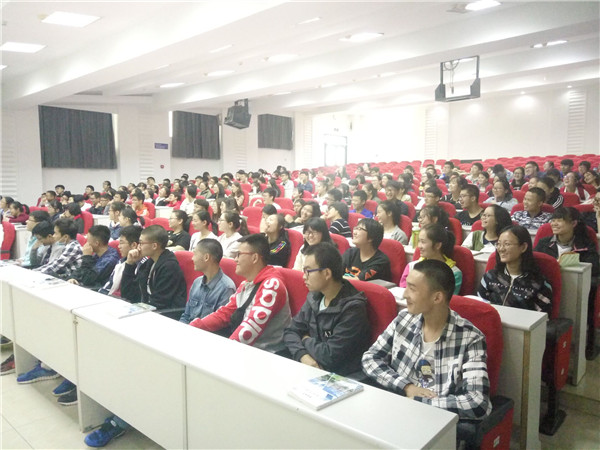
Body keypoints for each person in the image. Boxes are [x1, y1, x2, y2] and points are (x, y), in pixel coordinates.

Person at [362, 259, 491, 424]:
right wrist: (407, 387)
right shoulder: (404, 319)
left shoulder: (470, 338)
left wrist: (420, 401)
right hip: (394, 409)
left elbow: (478, 401)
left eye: (412, 289)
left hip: (435, 421)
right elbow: (370, 358)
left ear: (437, 297)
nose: (405, 294)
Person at [190, 234, 291, 354]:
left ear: (254, 258)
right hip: (246, 350)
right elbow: (225, 313)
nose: (235, 259)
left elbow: (250, 329)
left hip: (267, 354)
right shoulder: (246, 284)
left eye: (239, 254)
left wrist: (224, 352)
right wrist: (194, 326)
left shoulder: (272, 285)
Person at [284, 242, 371, 375]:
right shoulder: (314, 298)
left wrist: (305, 339)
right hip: (310, 367)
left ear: (326, 273)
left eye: (308, 271)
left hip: (341, 376)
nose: (303, 276)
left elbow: (329, 356)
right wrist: (303, 356)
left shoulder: (353, 309)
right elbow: (290, 331)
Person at [478, 225, 552, 314]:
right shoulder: (489, 277)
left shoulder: (539, 283)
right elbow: (479, 308)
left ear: (523, 247)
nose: (501, 249)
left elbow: (542, 318)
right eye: (498, 244)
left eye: (507, 244)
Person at [120, 225, 187, 310]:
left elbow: (160, 302)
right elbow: (128, 294)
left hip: (163, 314)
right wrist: (130, 264)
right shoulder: (150, 263)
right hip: (148, 309)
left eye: (141, 243)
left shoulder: (169, 267)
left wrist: (137, 309)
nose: (138, 247)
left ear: (154, 246)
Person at [179, 239, 236, 324]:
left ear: (206, 257)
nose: (192, 258)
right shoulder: (197, 282)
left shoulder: (227, 288)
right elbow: (186, 316)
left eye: (195, 254)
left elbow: (220, 324)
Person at [534, 207, 598, 277]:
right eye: (553, 220)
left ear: (573, 223)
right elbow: (534, 265)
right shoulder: (543, 243)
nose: (554, 224)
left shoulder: (585, 246)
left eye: (559, 221)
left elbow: (594, 270)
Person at [402, 222, 462, 293]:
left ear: (437, 245)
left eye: (423, 242)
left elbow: (449, 298)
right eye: (419, 241)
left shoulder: (454, 273)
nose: (419, 246)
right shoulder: (411, 266)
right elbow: (403, 292)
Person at [67, 225, 120, 290]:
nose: (86, 244)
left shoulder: (110, 260)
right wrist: (73, 278)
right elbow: (81, 270)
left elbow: (87, 279)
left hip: (98, 290)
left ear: (96, 243)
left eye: (87, 241)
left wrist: (87, 257)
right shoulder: (98, 253)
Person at [98, 226, 142, 297]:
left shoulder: (143, 265)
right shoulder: (121, 262)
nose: (119, 246)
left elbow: (132, 295)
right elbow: (109, 286)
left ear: (133, 245)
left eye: (121, 243)